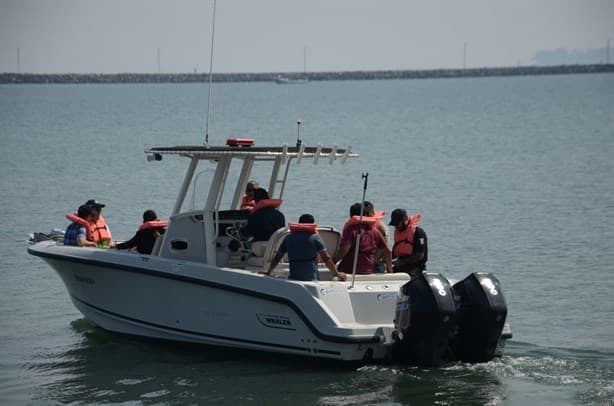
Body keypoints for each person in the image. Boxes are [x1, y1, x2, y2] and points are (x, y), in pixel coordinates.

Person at [261, 214, 346, 281]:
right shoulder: (315, 237)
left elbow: (277, 257)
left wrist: (269, 271)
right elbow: (326, 258)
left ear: (299, 223)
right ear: (313, 224)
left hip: (294, 277)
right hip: (312, 279)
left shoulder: (288, 238)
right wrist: (337, 274)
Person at [335, 203, 393, 275]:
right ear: (366, 215)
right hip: (368, 269)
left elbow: (345, 249)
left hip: (349, 269)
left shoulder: (350, 229)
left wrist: (334, 261)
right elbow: (387, 251)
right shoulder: (374, 231)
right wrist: (390, 270)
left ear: (351, 215)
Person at [388, 208, 428, 279]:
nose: (396, 226)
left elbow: (420, 255)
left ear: (405, 219)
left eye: (398, 223)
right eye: (395, 224)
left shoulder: (418, 233)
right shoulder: (398, 232)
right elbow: (395, 252)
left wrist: (401, 262)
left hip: (416, 267)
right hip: (401, 265)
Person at [364, 201, 390, 273]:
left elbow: (385, 248)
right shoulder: (361, 226)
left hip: (376, 263)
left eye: (367, 213)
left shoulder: (381, 227)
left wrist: (375, 259)